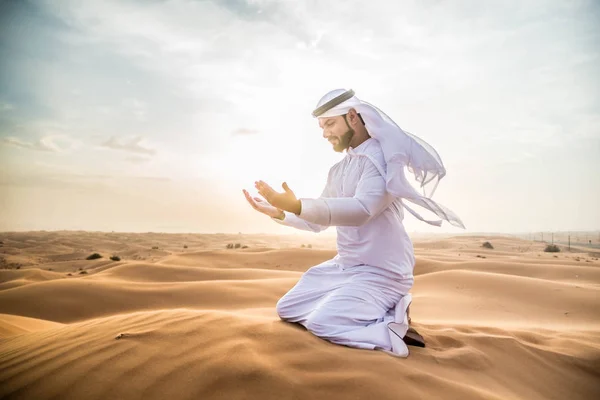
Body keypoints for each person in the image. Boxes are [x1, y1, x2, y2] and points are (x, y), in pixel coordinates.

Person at [243, 89, 464, 357]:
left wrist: (298, 205)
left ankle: (393, 324)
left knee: (322, 323)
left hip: (383, 272)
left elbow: (362, 210)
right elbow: (318, 222)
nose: (325, 133)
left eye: (330, 123)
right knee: (287, 309)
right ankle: (363, 310)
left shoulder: (383, 161)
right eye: (322, 126)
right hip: (344, 267)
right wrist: (281, 213)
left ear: (352, 117)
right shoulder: (338, 170)